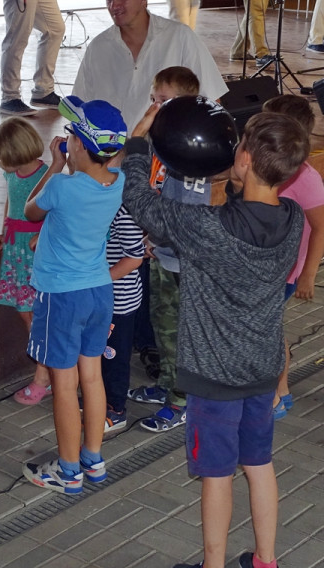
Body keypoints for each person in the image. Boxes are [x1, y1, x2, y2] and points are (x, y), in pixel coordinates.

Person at [121, 109, 310, 568]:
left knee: (217, 475)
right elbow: (243, 214)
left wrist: (139, 145)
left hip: (214, 377)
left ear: (243, 159)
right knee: (259, 463)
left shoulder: (205, 229)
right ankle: (266, 560)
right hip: (263, 369)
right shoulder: (294, 217)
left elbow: (140, 201)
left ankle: (213, 564)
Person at [21, 96, 126, 494]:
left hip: (62, 297)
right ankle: (93, 460)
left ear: (78, 145)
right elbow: (113, 157)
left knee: (64, 386)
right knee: (92, 378)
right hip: (100, 290)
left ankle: (68, 472)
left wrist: (54, 167)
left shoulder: (62, 188)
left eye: (70, 135)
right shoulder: (119, 183)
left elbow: (31, 211)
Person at [127, 67, 208, 433]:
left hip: (180, 259)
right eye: (154, 99)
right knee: (162, 326)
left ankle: (181, 402)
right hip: (161, 250)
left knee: (178, 332)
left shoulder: (190, 151)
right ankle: (166, 386)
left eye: (165, 101)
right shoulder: (164, 143)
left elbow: (185, 216)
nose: (155, 108)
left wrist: (160, 236)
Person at [72, 0, 227, 132]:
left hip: (162, 149)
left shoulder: (179, 37)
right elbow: (79, 106)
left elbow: (212, 99)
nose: (114, 6)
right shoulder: (98, 47)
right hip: (110, 150)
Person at [262, 95, 324, 419]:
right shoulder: (271, 168)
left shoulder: (305, 177)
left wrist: (308, 274)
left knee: (268, 334)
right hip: (267, 267)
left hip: (286, 272)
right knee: (272, 331)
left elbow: (321, 227)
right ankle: (282, 390)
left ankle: (274, 398)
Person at [0, 118, 50, 404]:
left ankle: (44, 376)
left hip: (33, 251)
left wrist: (41, 237)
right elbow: (12, 200)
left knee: (33, 315)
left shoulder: (45, 175)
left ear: (14, 152)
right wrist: (4, 228)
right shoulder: (11, 174)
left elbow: (53, 211)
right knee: (26, 313)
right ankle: (46, 371)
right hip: (15, 248)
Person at [101, 200, 145, 435]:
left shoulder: (123, 209)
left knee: (114, 358)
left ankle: (115, 408)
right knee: (96, 355)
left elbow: (134, 257)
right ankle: (98, 400)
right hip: (98, 297)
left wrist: (100, 280)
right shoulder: (97, 201)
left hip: (119, 300)